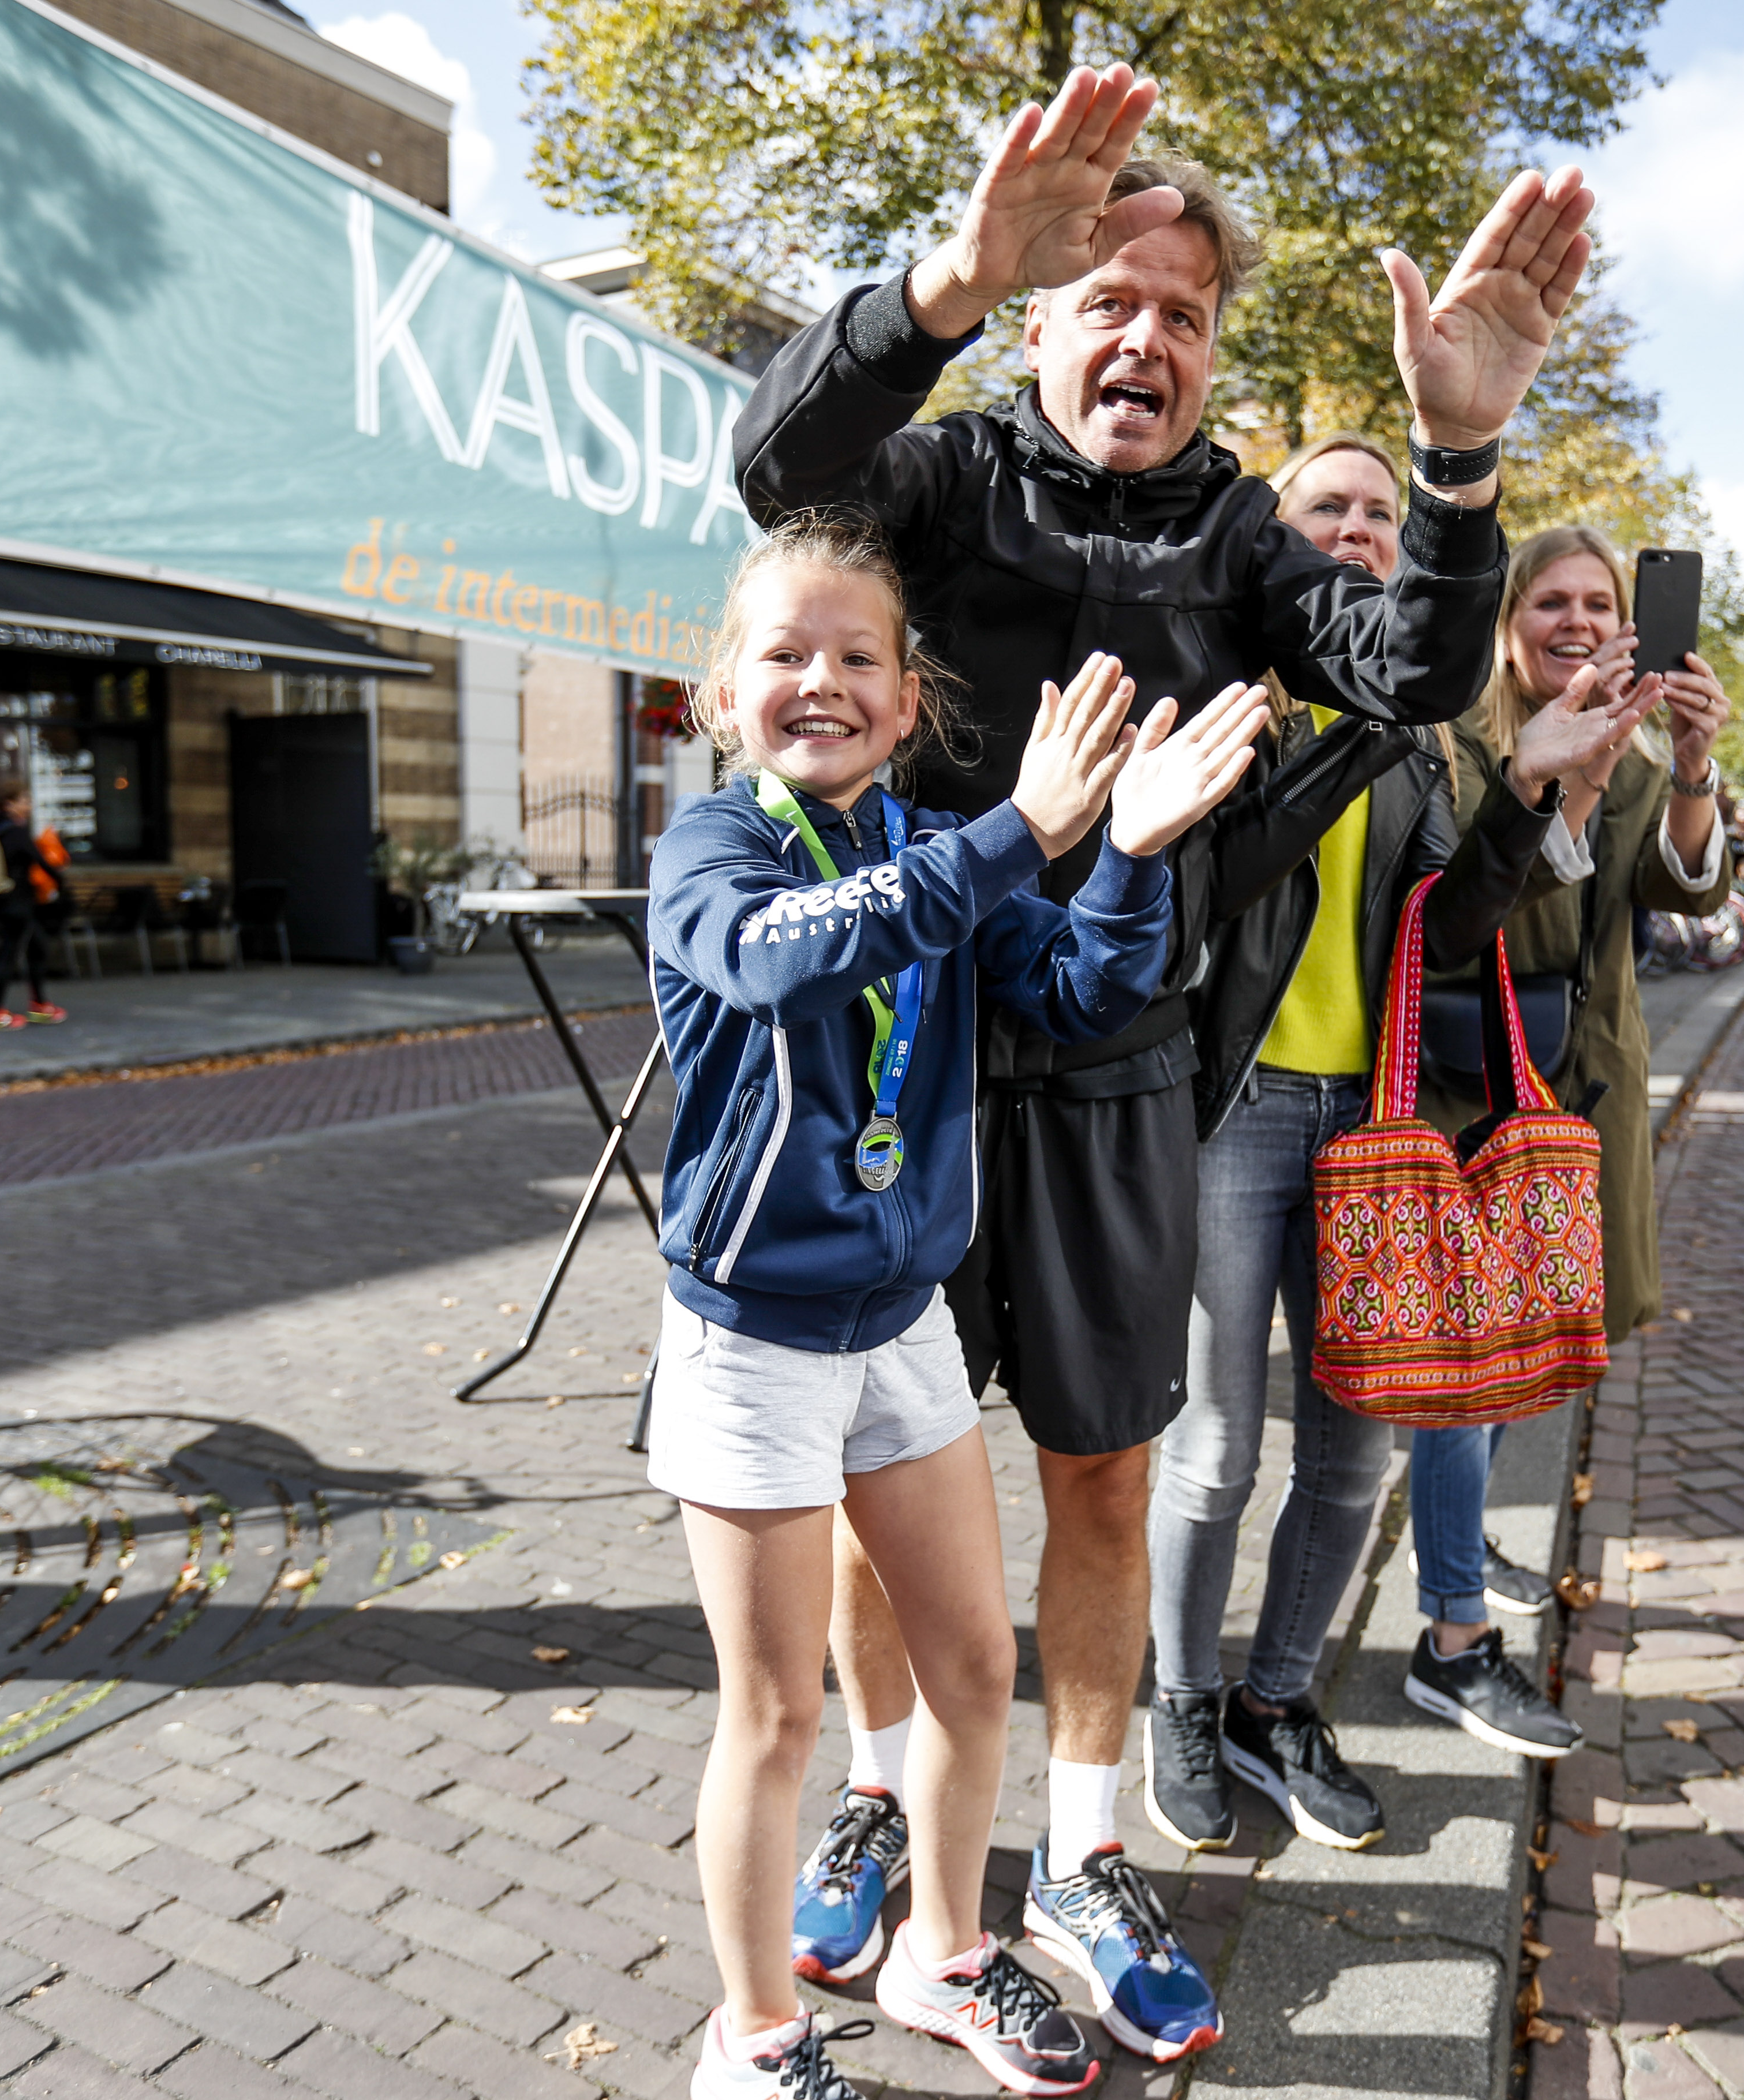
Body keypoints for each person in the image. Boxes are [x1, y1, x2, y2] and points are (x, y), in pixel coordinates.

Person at [733, 61, 1597, 2053]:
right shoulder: (934, 477)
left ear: (1211, 356)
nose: (1144, 334)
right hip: (911, 1074)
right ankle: (875, 1799)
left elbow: (1407, 669)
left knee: (1104, 1477)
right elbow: (776, 470)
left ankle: (1085, 1845)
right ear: (1041, 314)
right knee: (884, 1469)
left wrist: (1456, 462)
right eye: (1105, 294)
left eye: (1182, 314)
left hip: (1124, 1078)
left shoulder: (1233, 532)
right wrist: (940, 276)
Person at [646, 514, 1267, 2100]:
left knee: (973, 1672)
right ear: (729, 690)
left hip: (899, 1321)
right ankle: (755, 2037)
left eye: (858, 655)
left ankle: (937, 1945)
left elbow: (1076, 987)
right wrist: (1015, 831)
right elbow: (791, 962)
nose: (823, 679)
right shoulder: (710, 850)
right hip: (752, 1343)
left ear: (907, 698)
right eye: (785, 651)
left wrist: (1122, 847)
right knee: (781, 1709)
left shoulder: (925, 840)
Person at [1143, 434, 1652, 1854]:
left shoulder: (1420, 728)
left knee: (1354, 1444)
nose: (1362, 529)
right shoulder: (1224, 697)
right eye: (1330, 508)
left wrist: (1537, 793)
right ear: (1277, 539)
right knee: (1216, 1442)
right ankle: (1180, 1701)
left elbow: (1457, 924)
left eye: (1380, 511)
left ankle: (1274, 1700)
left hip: (1375, 1129)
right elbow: (1184, 889)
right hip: (1233, 1112)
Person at [1408, 526, 1731, 1757]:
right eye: (1553, 601)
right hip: (1472, 1097)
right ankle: (1449, 1640)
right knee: (1460, 1372)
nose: (1582, 620)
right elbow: (1486, 918)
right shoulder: (1454, 745)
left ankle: (1461, 1530)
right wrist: (1565, 783)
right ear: (1507, 623)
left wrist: (1691, 761)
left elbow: (1685, 893)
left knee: (1523, 1357)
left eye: (1602, 602)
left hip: (1579, 1102)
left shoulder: (1638, 750)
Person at [0, 781, 68, 1031]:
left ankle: (39, 1005)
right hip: (17, 902)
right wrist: (60, 880)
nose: (29, 805)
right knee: (9, 953)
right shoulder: (16, 832)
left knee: (36, 945)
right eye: (24, 801)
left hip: (1, 900)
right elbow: (41, 862)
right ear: (9, 805)